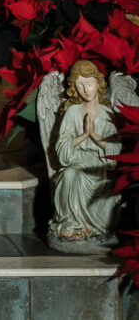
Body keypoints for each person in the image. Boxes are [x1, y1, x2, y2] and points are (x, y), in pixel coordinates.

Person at [50, 59, 120, 243]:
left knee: (109, 186)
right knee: (70, 175)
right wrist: (83, 135)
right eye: (80, 86)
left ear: (98, 83)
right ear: (74, 88)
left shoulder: (108, 114)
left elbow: (116, 150)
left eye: (89, 84)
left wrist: (95, 136)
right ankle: (70, 223)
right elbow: (62, 148)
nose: (86, 90)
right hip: (77, 162)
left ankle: (98, 228)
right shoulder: (72, 112)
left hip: (99, 166)